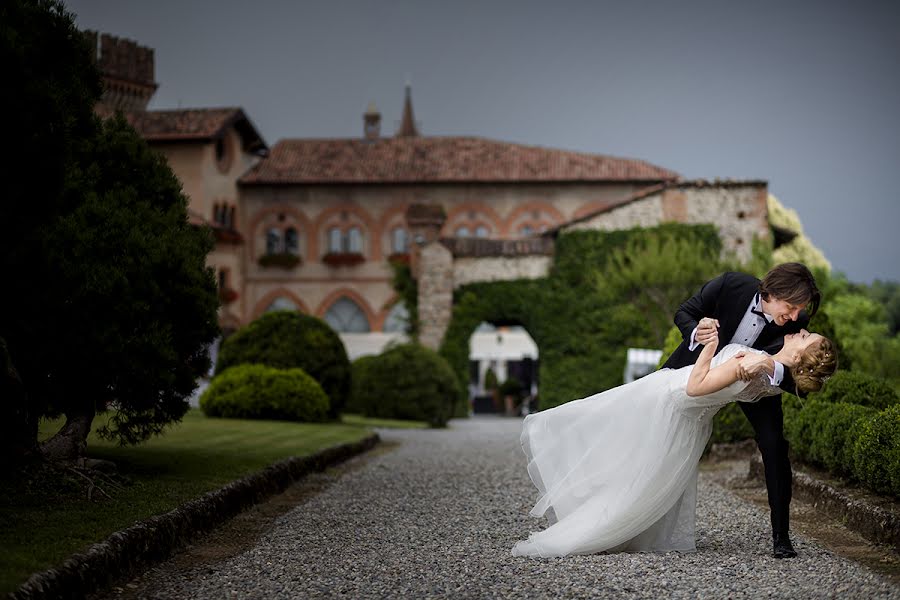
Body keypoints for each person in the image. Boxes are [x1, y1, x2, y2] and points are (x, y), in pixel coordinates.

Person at [511, 327, 836, 558]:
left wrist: (711, 345)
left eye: (807, 337)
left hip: (668, 398)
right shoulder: (772, 377)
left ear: (799, 355)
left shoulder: (748, 365)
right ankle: (612, 525)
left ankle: (589, 530)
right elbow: (784, 375)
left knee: (597, 430)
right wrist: (766, 361)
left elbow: (696, 387)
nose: (801, 330)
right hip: (687, 421)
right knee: (636, 472)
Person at [662, 262, 820, 558]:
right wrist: (698, 330)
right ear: (772, 292)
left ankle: (781, 537)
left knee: (774, 445)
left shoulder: (796, 321)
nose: (796, 316)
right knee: (662, 432)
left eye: (800, 309)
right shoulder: (730, 286)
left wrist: (769, 365)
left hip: (754, 387)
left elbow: (801, 382)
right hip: (697, 370)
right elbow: (683, 313)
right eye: (791, 306)